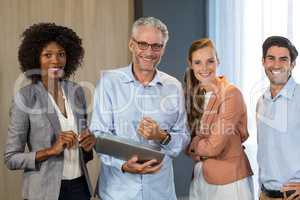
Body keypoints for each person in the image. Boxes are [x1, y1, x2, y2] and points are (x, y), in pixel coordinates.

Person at [90, 16, 190, 200]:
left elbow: (183, 137)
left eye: (156, 46)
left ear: (163, 49)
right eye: (142, 44)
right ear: (131, 45)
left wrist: (162, 137)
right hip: (118, 192)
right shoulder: (109, 82)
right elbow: (98, 135)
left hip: (160, 193)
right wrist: (123, 165)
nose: (149, 52)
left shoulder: (173, 86)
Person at [4, 23, 96, 200]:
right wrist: (50, 151)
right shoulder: (25, 98)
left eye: (61, 54)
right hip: (44, 192)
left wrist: (88, 143)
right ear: (35, 59)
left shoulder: (76, 91)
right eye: (48, 55)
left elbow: (83, 148)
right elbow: (11, 158)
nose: (56, 60)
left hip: (79, 188)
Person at [184, 38, 254, 200]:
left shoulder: (230, 93)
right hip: (200, 178)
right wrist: (195, 144)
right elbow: (184, 142)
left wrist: (195, 143)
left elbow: (214, 147)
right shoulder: (193, 97)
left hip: (229, 180)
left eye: (210, 61)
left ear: (218, 61)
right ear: (190, 65)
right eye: (198, 62)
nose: (204, 68)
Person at [257, 36, 300, 200]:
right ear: (263, 62)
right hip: (265, 195)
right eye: (271, 58)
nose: (276, 65)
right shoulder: (261, 102)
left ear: (292, 64)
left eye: (283, 59)